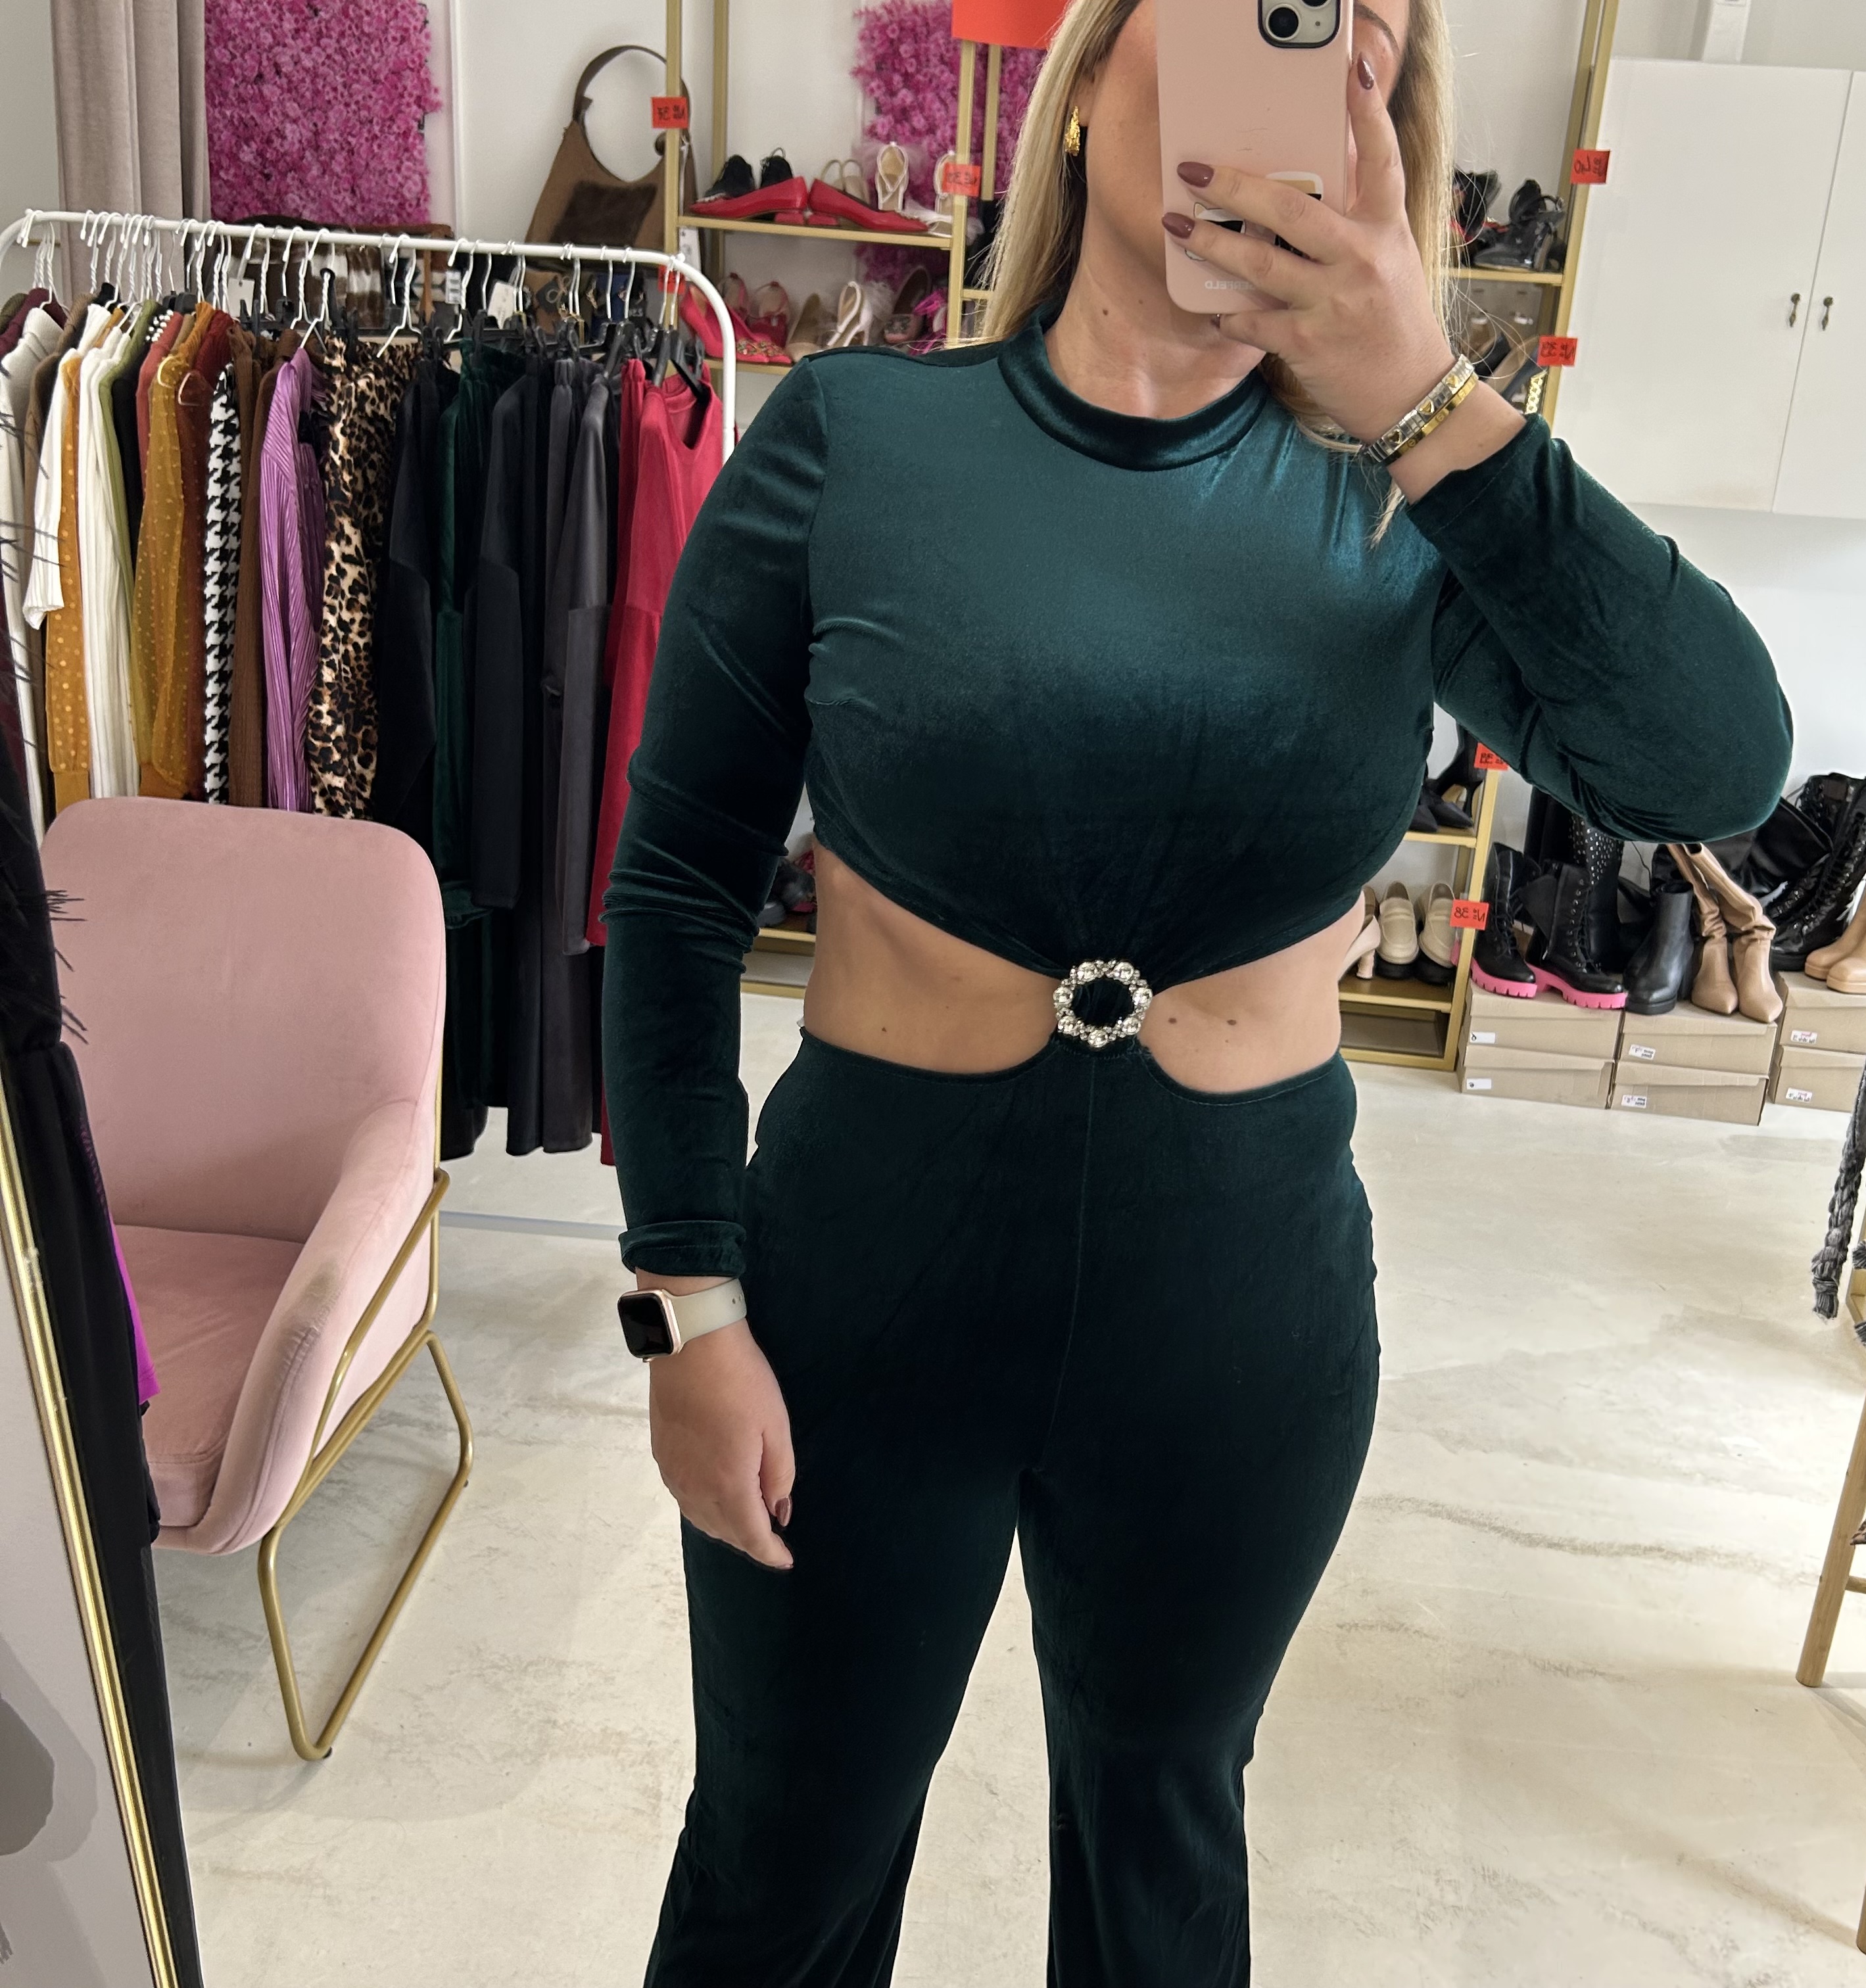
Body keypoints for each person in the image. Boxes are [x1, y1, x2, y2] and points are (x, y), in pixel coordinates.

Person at [601, 0, 1791, 1980]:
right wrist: (686, 1301)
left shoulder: (1404, 500)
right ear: (1087, 92)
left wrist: (1424, 395)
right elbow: (672, 883)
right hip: (861, 1282)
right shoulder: (856, 440)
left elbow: (1711, 764)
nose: (1303, 65)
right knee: (781, 1859)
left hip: (1237, 1301)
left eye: (1357, 44)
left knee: (1163, 1858)